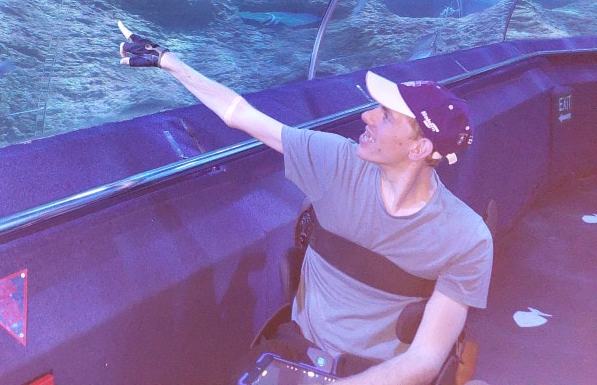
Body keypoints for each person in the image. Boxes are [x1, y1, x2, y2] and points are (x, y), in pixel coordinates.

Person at [117, 22, 493, 385]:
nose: (367, 115)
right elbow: (239, 114)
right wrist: (170, 61)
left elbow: (424, 360)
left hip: (379, 373)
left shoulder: (466, 238)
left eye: (387, 115)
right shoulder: (335, 161)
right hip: (297, 351)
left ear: (420, 147)